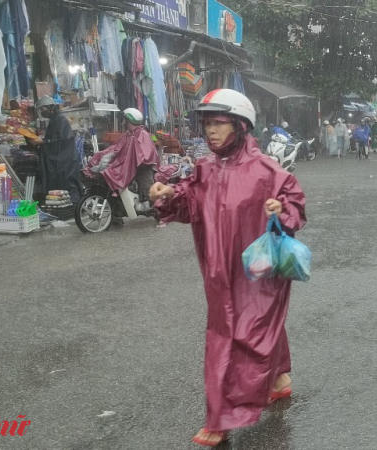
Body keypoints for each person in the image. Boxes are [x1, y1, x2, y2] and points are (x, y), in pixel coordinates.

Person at [148, 89, 307, 447]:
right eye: (207, 124)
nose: (211, 131)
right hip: (218, 272)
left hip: (260, 272)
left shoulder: (266, 170)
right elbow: (189, 205)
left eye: (219, 123)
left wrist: (280, 210)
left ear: (240, 125)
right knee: (255, 327)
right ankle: (280, 380)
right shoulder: (203, 169)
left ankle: (219, 418)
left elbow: (294, 203)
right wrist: (167, 195)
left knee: (240, 334)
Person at [83, 108, 160, 202]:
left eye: (125, 120)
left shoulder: (142, 134)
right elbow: (117, 148)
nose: (123, 122)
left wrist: (128, 160)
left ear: (129, 120)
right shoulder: (129, 134)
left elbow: (145, 156)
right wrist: (106, 155)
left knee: (149, 193)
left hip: (142, 168)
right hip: (129, 166)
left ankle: (159, 211)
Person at [35, 96, 84, 207]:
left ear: (50, 108)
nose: (43, 113)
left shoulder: (60, 120)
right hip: (62, 160)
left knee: (68, 184)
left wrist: (44, 141)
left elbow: (61, 140)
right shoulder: (55, 120)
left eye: (43, 109)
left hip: (65, 160)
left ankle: (74, 206)